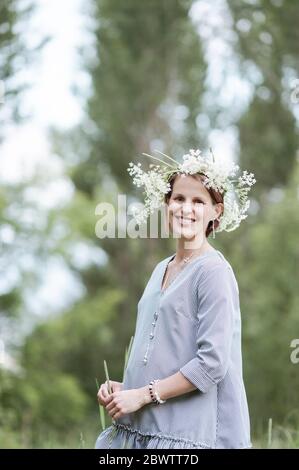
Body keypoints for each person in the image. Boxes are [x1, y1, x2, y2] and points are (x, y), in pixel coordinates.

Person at [95, 148, 256, 449]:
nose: (186, 208)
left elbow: (212, 364)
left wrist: (143, 395)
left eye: (198, 201)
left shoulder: (213, 272)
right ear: (167, 204)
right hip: (144, 431)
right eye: (179, 198)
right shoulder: (160, 269)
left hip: (188, 438)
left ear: (215, 212)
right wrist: (127, 390)